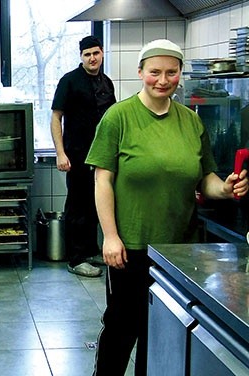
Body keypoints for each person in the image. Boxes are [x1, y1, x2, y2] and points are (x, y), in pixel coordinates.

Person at [85, 39, 249, 375]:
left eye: (171, 72)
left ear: (179, 74)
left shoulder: (191, 121)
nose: (163, 80)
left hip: (179, 249)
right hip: (131, 246)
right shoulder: (119, 117)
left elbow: (206, 179)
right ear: (140, 72)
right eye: (155, 72)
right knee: (122, 327)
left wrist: (227, 188)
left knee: (163, 328)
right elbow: (103, 180)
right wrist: (110, 236)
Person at [50, 35, 116, 277]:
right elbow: (56, 117)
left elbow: (113, 121)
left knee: (97, 205)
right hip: (76, 156)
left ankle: (90, 251)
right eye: (87, 54)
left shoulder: (107, 83)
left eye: (96, 53)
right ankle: (75, 259)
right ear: (81, 57)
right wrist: (60, 153)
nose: (92, 58)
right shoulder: (69, 81)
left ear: (101, 54)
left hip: (103, 157)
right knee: (77, 207)